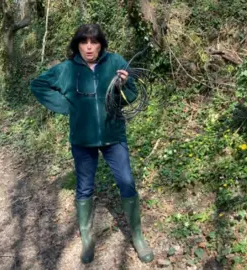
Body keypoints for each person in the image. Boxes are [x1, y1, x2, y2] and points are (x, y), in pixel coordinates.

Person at [30, 24, 154, 264]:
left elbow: (134, 94)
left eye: (94, 42)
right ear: (77, 45)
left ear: (101, 44)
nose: (89, 47)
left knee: (127, 183)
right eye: (84, 42)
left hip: (113, 136)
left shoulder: (115, 61)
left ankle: (138, 237)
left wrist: (125, 84)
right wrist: (68, 107)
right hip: (82, 140)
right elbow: (38, 85)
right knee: (84, 188)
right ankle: (87, 240)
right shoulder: (67, 69)